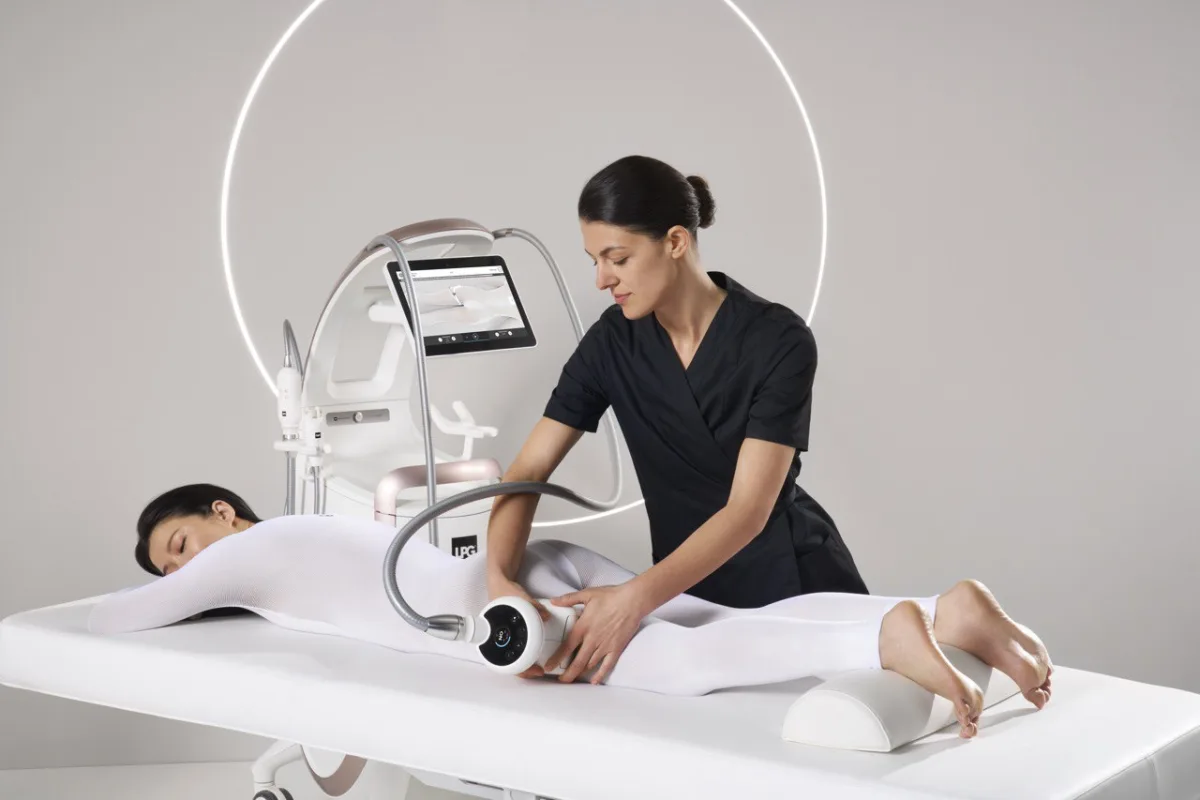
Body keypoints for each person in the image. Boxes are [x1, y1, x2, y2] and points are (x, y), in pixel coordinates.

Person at [115, 484, 1054, 739]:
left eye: (181, 544)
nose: (183, 568)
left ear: (223, 514)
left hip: (493, 609)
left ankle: (878, 636)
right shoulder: (315, 523)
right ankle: (938, 608)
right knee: (703, 619)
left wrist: (170, 586)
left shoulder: (249, 550)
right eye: (173, 563)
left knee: (675, 665)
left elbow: (124, 619)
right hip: (527, 566)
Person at [488, 155, 865, 685]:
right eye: (594, 260)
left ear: (675, 242)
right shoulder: (612, 342)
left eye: (617, 258)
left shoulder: (778, 340)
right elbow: (528, 470)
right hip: (684, 595)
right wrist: (500, 583)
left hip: (792, 583)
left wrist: (632, 600)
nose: (601, 279)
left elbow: (748, 512)